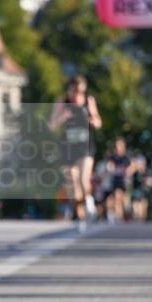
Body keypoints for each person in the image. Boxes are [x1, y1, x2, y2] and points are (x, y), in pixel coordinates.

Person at [50, 75, 102, 230]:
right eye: (75, 91)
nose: (77, 94)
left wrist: (93, 121)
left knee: (83, 179)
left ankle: (90, 204)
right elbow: (52, 125)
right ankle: (80, 216)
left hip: (85, 145)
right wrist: (62, 117)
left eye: (80, 91)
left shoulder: (88, 101)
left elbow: (98, 122)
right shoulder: (62, 102)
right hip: (68, 146)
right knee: (73, 184)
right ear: (70, 89)